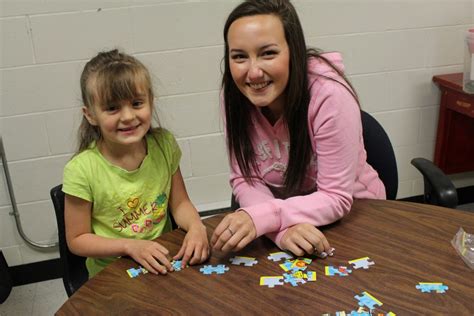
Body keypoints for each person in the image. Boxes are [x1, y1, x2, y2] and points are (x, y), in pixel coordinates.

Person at [211, 0, 385, 257]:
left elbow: (336, 197)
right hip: (287, 226)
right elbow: (245, 177)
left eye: (268, 53)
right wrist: (281, 231)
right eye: (239, 56)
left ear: (294, 51)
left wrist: (265, 217)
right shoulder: (235, 95)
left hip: (354, 218)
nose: (254, 72)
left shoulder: (329, 94)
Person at [63, 49, 209, 277]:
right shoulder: (81, 170)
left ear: (151, 102)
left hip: (165, 260)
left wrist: (197, 227)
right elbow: (77, 239)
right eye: (112, 108)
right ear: (90, 115)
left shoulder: (164, 144)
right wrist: (129, 246)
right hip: (111, 273)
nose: (128, 116)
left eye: (137, 103)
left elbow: (180, 204)